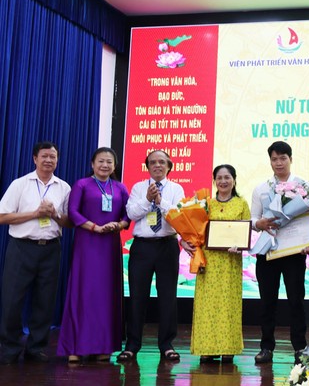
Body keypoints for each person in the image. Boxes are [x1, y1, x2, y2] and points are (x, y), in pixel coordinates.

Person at [0, 141, 72, 364]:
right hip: (22, 248)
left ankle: (36, 348)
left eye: (53, 157)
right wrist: (35, 214)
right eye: (44, 156)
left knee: (45, 301)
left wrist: (55, 215)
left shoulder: (64, 187)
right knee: (12, 300)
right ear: (35, 159)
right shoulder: (20, 184)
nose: (49, 160)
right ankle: (10, 348)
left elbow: (69, 222)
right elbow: (2, 216)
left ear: (57, 160)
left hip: (51, 249)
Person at [57, 147, 131, 363]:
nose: (105, 165)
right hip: (87, 244)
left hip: (110, 245)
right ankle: (75, 347)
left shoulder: (120, 187)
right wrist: (94, 227)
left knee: (106, 295)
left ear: (114, 166)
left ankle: (103, 346)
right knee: (83, 292)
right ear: (92, 164)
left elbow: (128, 214)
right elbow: (73, 212)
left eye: (109, 162)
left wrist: (119, 225)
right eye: (101, 161)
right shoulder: (81, 184)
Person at [250, 141, 309, 364]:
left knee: (296, 301)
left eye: (283, 158)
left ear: (291, 159)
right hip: (268, 251)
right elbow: (252, 219)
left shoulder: (304, 187)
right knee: (267, 302)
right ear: (270, 161)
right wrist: (259, 223)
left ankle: (299, 347)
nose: (278, 163)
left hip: (294, 253)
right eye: (274, 159)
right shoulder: (261, 188)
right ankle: (266, 347)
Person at [118, 150, 185, 362]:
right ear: (147, 167)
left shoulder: (176, 189)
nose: (157, 165)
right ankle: (132, 345)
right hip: (142, 247)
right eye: (153, 162)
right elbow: (131, 214)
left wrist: (160, 201)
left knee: (168, 297)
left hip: (167, 245)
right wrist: (148, 199)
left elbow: (178, 216)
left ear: (169, 166)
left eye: (162, 162)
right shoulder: (139, 188)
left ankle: (166, 345)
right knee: (137, 297)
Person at [181, 164, 250, 364]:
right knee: (207, 305)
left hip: (230, 262)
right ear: (214, 181)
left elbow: (246, 232)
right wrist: (185, 241)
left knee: (229, 304)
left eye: (227, 177)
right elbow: (193, 231)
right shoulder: (206, 205)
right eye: (219, 178)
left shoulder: (241, 204)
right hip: (208, 261)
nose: (223, 181)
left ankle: (228, 348)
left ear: (234, 180)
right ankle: (206, 347)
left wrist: (240, 246)